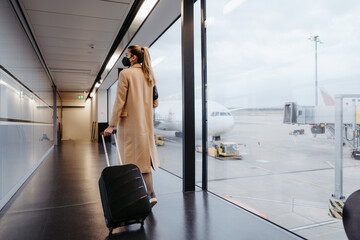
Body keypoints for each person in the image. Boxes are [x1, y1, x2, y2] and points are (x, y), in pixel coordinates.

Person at [104, 45, 160, 208]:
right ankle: (151, 194)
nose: (126, 57)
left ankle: (131, 197)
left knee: (127, 160)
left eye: (127, 55)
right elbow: (155, 103)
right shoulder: (149, 76)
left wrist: (111, 125)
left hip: (129, 125)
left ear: (134, 58)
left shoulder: (125, 74)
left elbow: (119, 101)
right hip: (145, 124)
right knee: (144, 161)